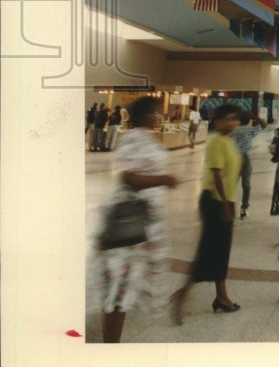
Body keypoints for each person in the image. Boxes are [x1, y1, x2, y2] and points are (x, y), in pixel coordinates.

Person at [97, 95, 180, 343]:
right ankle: (110, 345)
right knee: (120, 285)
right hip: (129, 219)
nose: (157, 116)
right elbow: (129, 177)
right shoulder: (131, 138)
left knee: (128, 283)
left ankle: (113, 339)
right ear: (142, 114)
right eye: (154, 112)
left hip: (145, 222)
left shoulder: (147, 137)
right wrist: (164, 180)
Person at [170, 104, 243, 324]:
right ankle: (181, 295)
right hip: (214, 201)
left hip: (224, 200)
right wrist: (224, 205)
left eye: (235, 119)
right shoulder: (216, 143)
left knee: (221, 252)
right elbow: (217, 174)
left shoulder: (229, 141)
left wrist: (230, 202)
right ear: (217, 121)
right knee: (209, 251)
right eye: (227, 119)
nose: (232, 123)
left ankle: (221, 297)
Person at [234, 110, 267, 218]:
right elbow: (264, 124)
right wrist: (255, 116)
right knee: (246, 185)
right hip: (245, 159)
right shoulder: (249, 130)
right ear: (249, 121)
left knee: (231, 185)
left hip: (233, 159)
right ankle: (244, 208)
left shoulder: (232, 131)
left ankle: (228, 207)